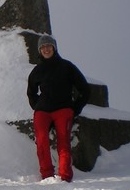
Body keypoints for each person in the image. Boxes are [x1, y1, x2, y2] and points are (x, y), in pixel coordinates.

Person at [26, 34, 90, 182]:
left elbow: (84, 89)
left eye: (48, 46)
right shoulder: (37, 70)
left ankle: (65, 176)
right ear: (39, 50)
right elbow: (31, 92)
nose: (46, 49)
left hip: (63, 110)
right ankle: (47, 175)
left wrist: (75, 108)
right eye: (42, 47)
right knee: (41, 142)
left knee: (63, 142)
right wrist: (37, 106)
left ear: (54, 48)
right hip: (43, 111)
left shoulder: (67, 67)